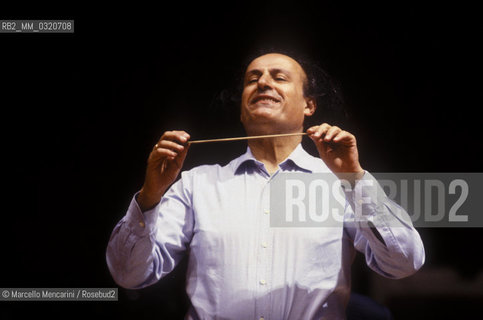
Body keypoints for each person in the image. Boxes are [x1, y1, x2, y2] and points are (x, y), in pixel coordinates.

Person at [106, 52, 425, 319]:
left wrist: (355, 179)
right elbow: (128, 276)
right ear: (242, 108)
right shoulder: (196, 184)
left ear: (308, 106)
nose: (263, 82)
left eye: (279, 77)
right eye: (252, 78)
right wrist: (150, 196)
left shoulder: (339, 185)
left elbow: (404, 263)